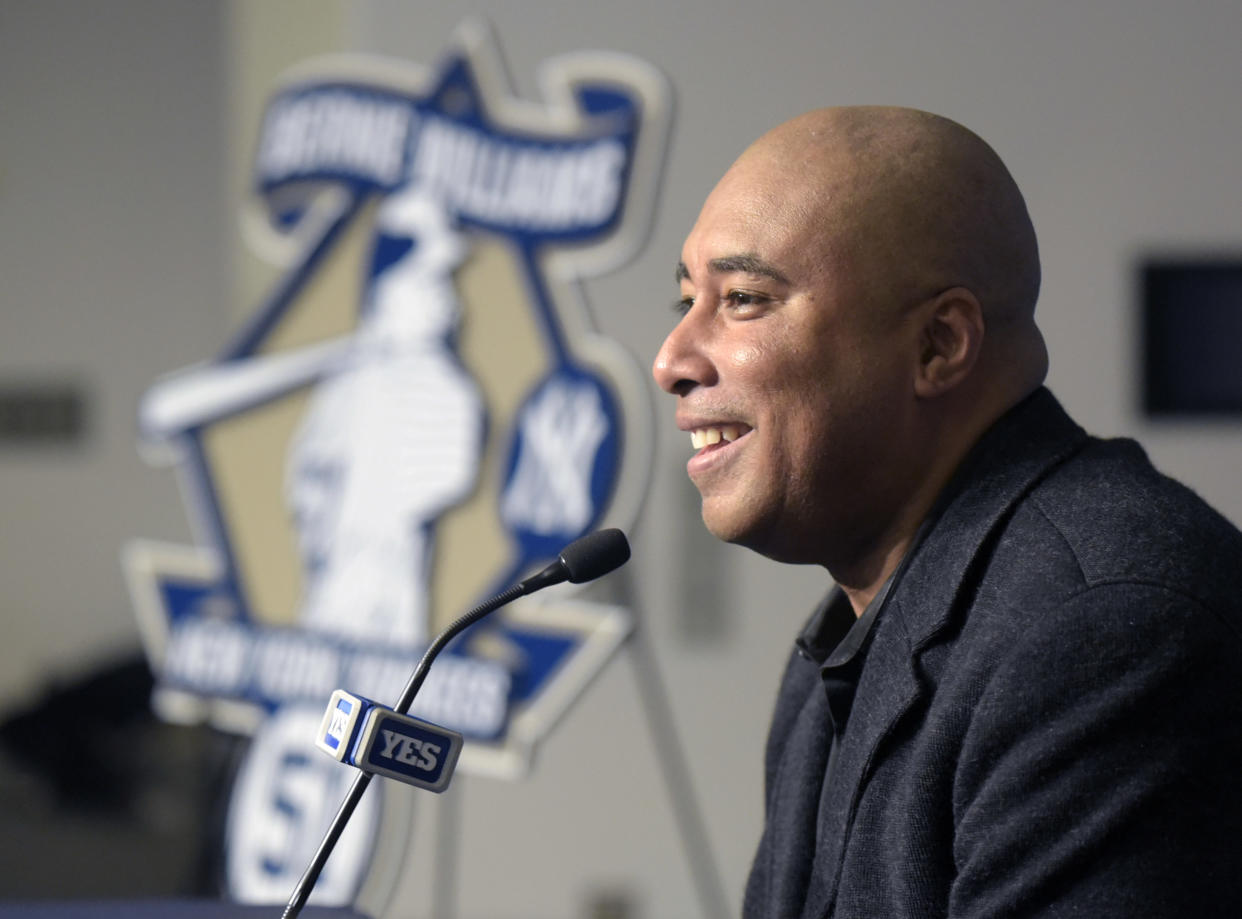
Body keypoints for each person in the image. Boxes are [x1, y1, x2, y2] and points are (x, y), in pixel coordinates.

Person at [653, 106, 1242, 918]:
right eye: (686, 299)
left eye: (744, 298)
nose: (671, 360)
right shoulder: (840, 643)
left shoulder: (1108, 624)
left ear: (938, 346)